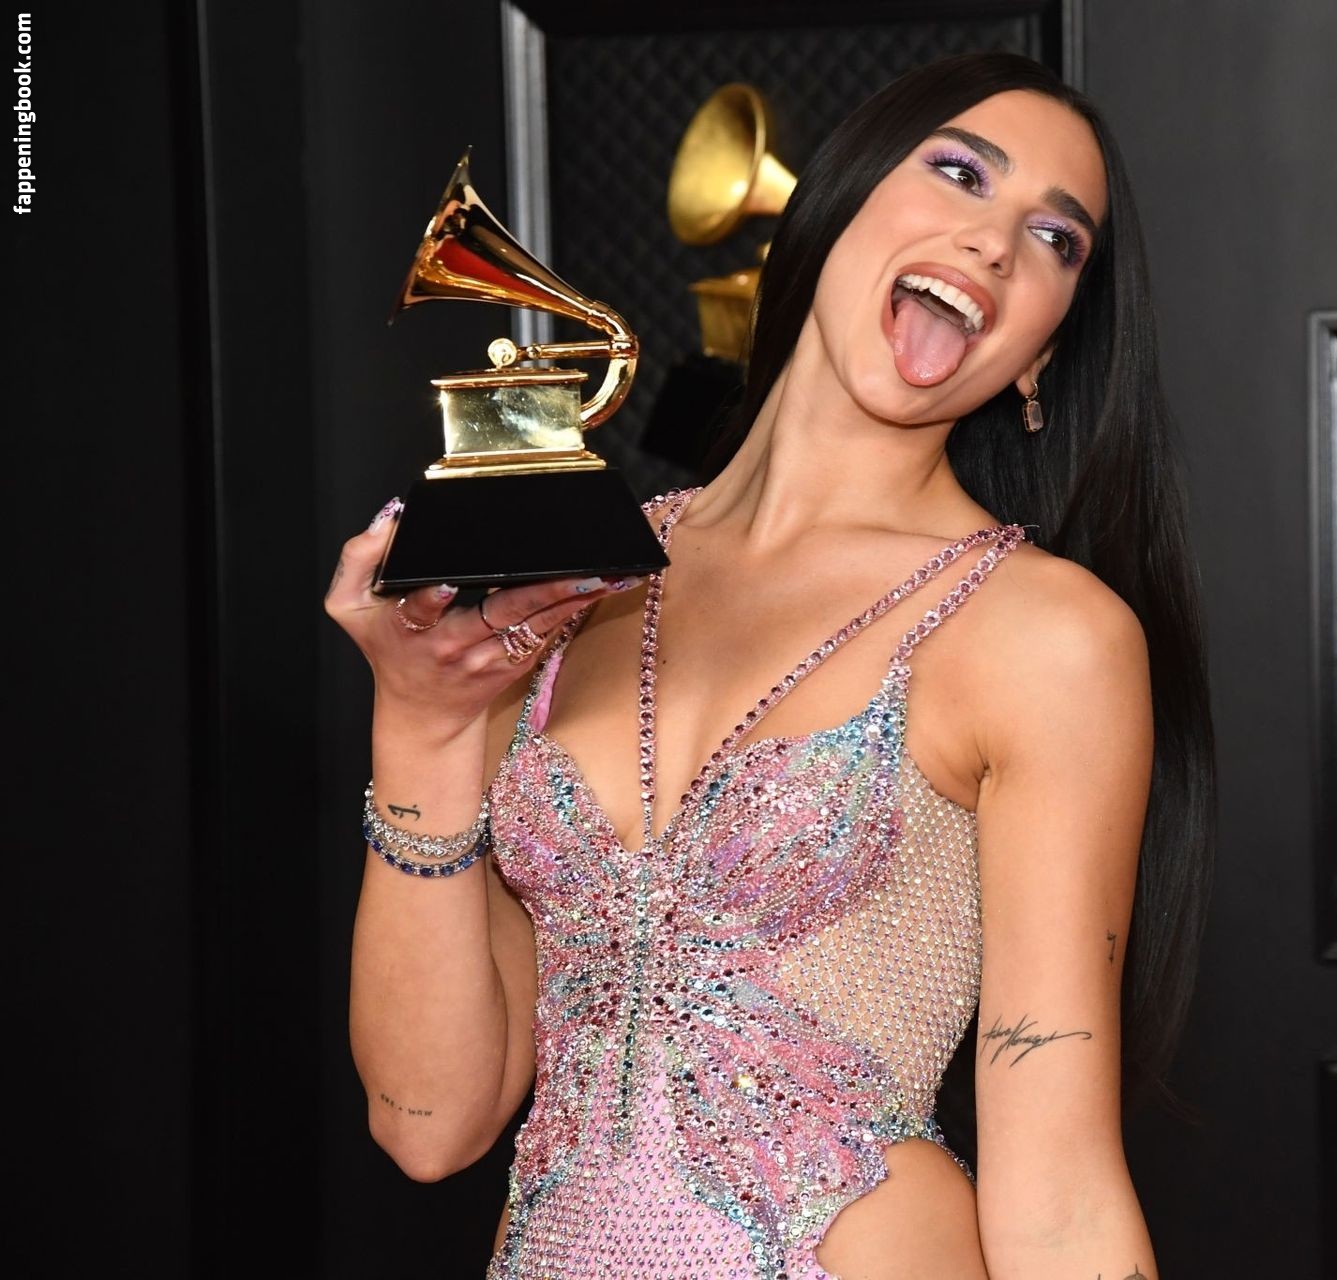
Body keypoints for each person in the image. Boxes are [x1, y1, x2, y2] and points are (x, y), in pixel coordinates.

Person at [326, 50, 1215, 1280]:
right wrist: (422, 725)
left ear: (1039, 359)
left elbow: (1059, 1196)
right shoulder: (570, 584)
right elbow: (427, 1121)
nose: (997, 243)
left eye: (1057, 240)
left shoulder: (1045, 636)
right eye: (961, 174)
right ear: (835, 203)